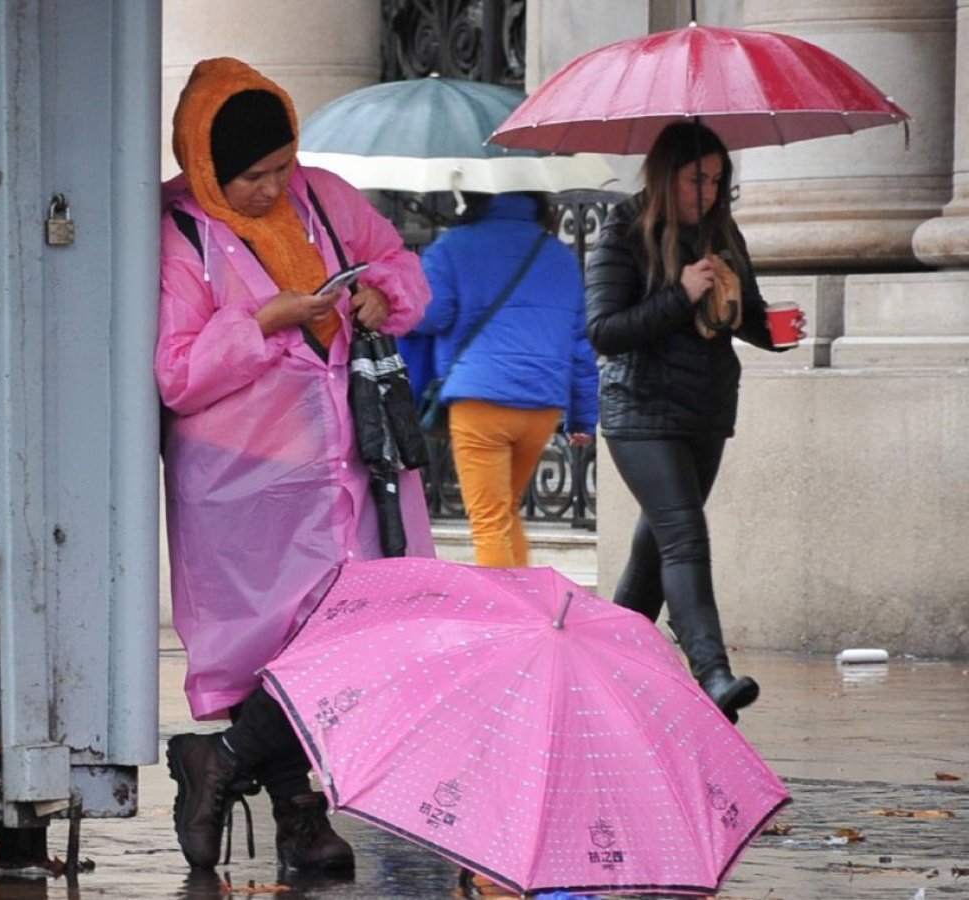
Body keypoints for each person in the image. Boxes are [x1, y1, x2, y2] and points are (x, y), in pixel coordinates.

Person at [156, 57, 433, 873]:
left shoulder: (327, 198)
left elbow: (398, 267)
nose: (273, 187)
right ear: (207, 165)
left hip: (350, 461)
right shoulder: (178, 234)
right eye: (252, 176)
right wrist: (265, 319)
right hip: (243, 484)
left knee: (361, 631)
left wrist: (385, 294)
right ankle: (300, 819)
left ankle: (224, 761)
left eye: (283, 166)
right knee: (273, 649)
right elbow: (177, 371)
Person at [584, 121, 802, 724]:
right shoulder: (625, 230)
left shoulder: (721, 234)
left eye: (716, 180)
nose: (706, 192)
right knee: (684, 535)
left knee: (655, 552)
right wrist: (679, 293)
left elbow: (746, 315)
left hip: (706, 410)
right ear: (666, 175)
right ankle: (712, 673)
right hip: (641, 410)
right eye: (694, 179)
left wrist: (774, 331)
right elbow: (605, 331)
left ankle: (601, 665)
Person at [409, 191, 597, 567]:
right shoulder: (560, 255)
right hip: (543, 405)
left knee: (488, 522)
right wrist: (583, 416)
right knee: (507, 510)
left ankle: (502, 618)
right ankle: (524, 610)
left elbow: (428, 316)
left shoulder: (453, 246)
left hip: (480, 401)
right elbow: (580, 344)